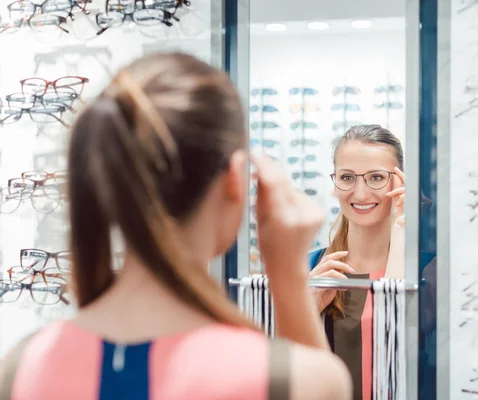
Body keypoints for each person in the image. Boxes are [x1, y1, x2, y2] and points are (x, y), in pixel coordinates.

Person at [0, 52, 352, 400]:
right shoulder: (296, 378)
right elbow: (314, 380)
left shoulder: (21, 367)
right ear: (236, 177)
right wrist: (288, 279)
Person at [308, 124, 406, 400]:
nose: (360, 194)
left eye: (376, 177)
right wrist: (307, 308)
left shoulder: (427, 272)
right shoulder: (312, 268)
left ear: (399, 183)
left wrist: (400, 228)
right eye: (347, 177)